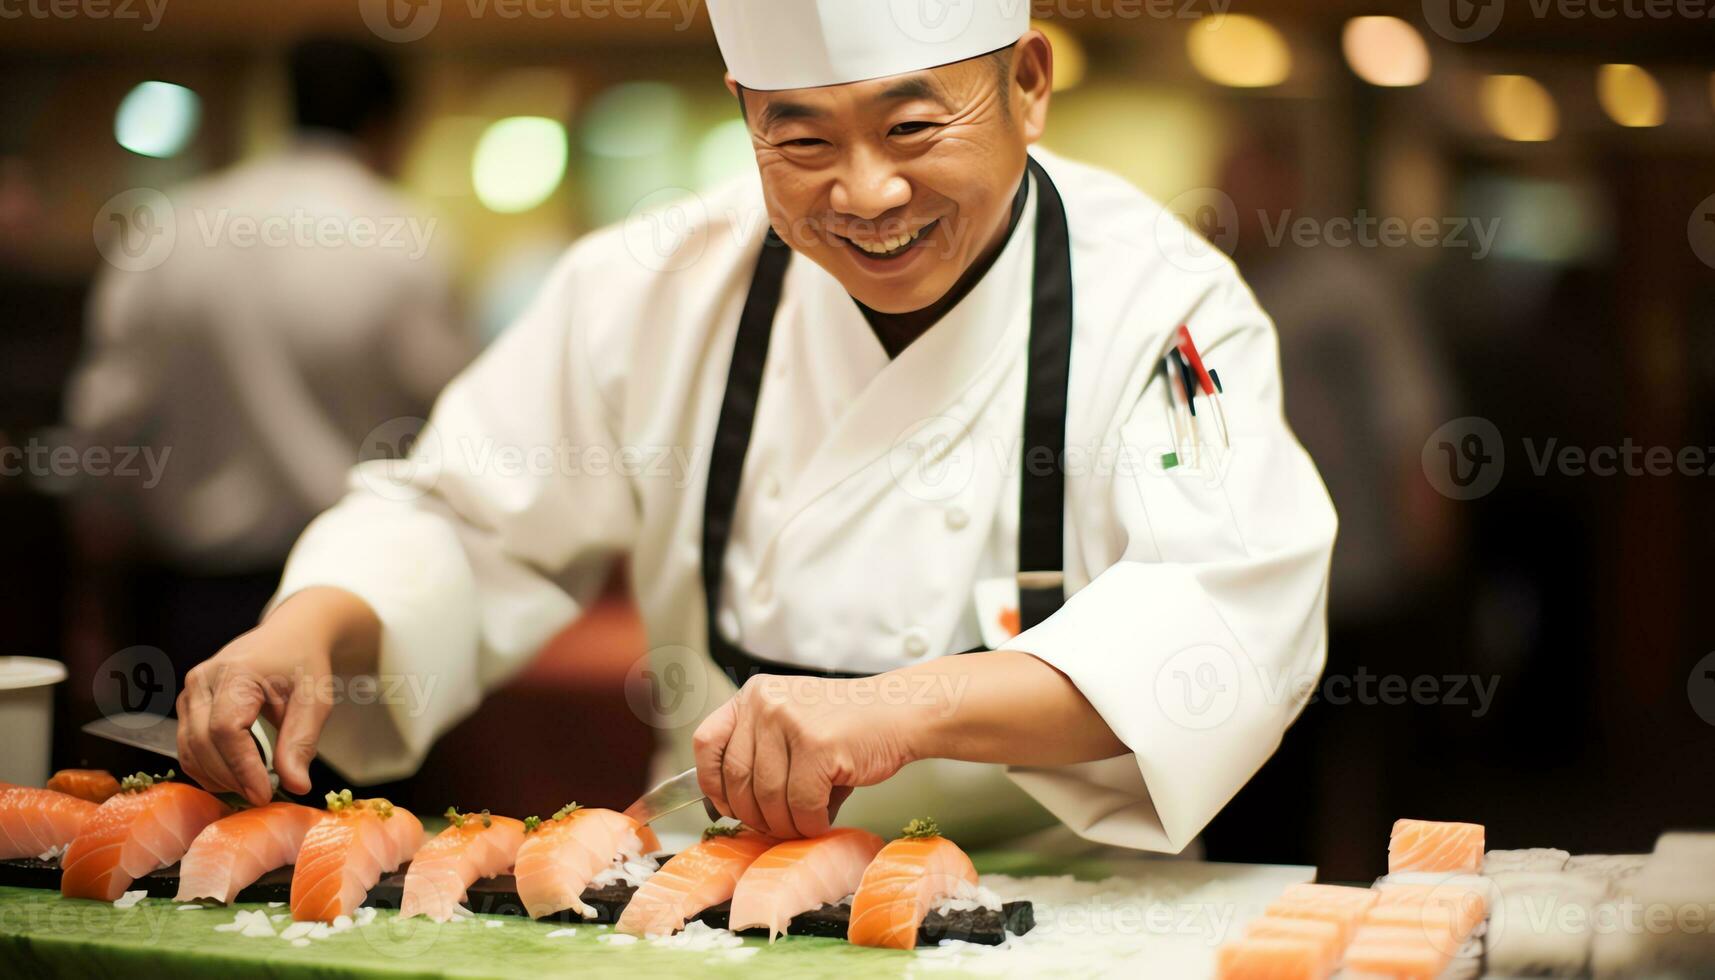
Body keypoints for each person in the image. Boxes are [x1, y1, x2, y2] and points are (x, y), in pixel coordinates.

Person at [177, 4, 1337, 853]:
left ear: (1027, 82)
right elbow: (460, 507)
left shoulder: (1162, 302)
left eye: (913, 125)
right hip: (713, 881)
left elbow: (1221, 613)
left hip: (1064, 908)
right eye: (803, 141)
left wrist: (899, 707)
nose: (866, 193)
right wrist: (310, 623)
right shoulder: (655, 279)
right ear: (744, 118)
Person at [66, 38, 472, 670]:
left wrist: (99, 556)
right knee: (342, 771)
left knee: (167, 769)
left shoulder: (173, 227)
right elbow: (452, 421)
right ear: (386, 123)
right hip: (353, 593)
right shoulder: (405, 238)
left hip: (182, 595)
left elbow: (107, 418)